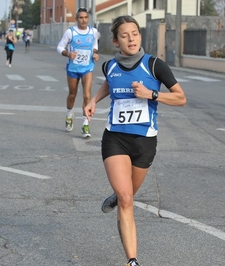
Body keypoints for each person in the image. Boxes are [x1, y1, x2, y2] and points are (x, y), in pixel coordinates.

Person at [84, 15, 186, 266]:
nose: (131, 39)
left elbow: (181, 98)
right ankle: (132, 261)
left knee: (126, 195)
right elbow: (110, 84)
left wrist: (152, 94)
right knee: (127, 200)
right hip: (115, 139)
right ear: (116, 41)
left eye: (135, 33)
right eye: (124, 35)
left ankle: (117, 197)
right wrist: (93, 100)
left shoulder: (154, 65)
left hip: (144, 143)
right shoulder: (109, 66)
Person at [56, 7, 99, 138]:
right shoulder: (70, 32)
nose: (84, 20)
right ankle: (69, 114)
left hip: (87, 68)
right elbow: (59, 47)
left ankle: (85, 124)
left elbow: (94, 46)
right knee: (72, 94)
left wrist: (95, 54)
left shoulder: (93, 31)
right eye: (81, 18)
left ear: (88, 18)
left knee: (87, 95)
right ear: (76, 19)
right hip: (73, 69)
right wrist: (68, 54)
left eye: (86, 17)